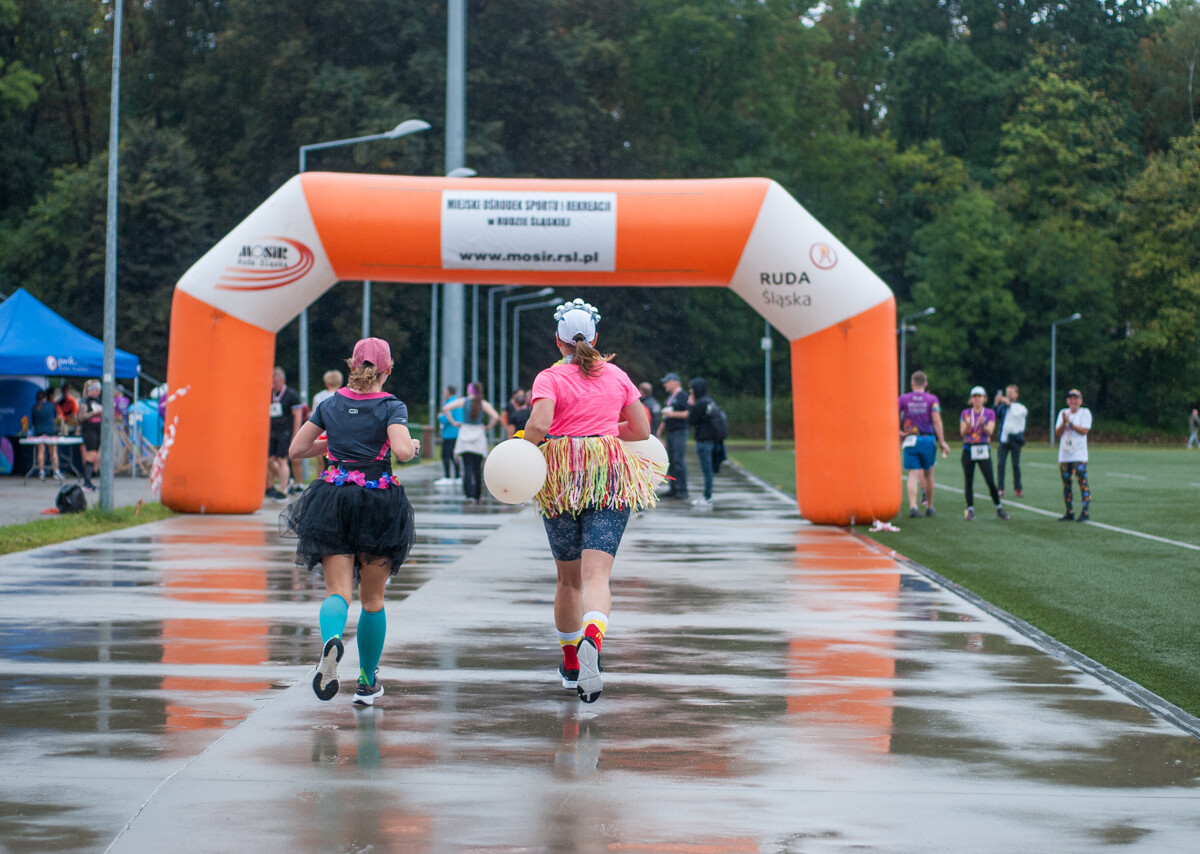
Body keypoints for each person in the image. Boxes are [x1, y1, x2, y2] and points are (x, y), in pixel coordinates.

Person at [522, 298, 655, 704]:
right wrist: (605, 430)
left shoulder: (549, 377)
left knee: (568, 580)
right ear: (595, 338)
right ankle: (592, 640)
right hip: (608, 474)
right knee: (597, 577)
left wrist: (523, 447)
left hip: (563, 477)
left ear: (557, 341)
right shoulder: (616, 375)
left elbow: (540, 424)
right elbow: (642, 429)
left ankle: (571, 664)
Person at [281, 337, 420, 706]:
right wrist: (412, 446)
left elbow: (296, 449)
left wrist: (333, 443)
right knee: (372, 599)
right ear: (387, 370)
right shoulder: (391, 406)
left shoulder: (330, 404)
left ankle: (331, 641)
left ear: (352, 367)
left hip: (333, 499)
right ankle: (366, 682)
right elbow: (402, 450)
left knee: (337, 592)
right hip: (378, 502)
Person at [898, 371, 951, 518]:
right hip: (927, 439)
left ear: (912, 383)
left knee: (913, 474)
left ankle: (913, 506)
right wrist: (942, 441)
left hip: (910, 439)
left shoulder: (904, 398)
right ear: (925, 384)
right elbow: (936, 420)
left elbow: (891, 413)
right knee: (928, 474)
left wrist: (897, 431)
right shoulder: (932, 399)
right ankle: (929, 506)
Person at [441, 382, 500, 504]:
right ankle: (478, 494)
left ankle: (469, 495)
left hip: (465, 434)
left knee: (467, 466)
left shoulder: (463, 401)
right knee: (477, 468)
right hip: (478, 435)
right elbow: (495, 416)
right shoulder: (483, 403)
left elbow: (445, 409)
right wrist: (488, 427)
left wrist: (454, 422)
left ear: (469, 390)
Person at [959, 386, 1009, 521]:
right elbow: (962, 433)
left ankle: (999, 507)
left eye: (979, 396)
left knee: (990, 480)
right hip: (968, 449)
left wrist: (982, 424)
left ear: (984, 398)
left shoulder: (989, 413)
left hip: (982, 449)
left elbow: (990, 431)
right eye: (974, 396)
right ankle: (970, 509)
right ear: (971, 399)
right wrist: (968, 425)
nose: (977, 399)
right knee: (968, 481)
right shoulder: (965, 413)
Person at [1055, 389, 1093, 522]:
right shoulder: (1063, 412)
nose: (1073, 401)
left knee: (1082, 483)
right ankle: (1069, 511)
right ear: (1068, 401)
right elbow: (1057, 433)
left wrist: (1070, 423)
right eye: (1071, 398)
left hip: (1079, 456)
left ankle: (1085, 511)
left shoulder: (1085, 413)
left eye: (1076, 398)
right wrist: (1064, 423)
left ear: (1080, 401)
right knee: (1066, 484)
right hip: (1065, 456)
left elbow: (1084, 431)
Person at [267, 366, 303, 500]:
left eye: (275, 382)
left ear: (282, 381)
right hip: (272, 432)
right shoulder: (270, 394)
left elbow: (298, 416)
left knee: (282, 459)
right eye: (272, 382)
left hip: (285, 432)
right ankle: (286, 481)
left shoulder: (291, 395)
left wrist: (295, 435)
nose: (273, 385)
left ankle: (283, 491)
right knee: (269, 460)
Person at [686, 377, 721, 507]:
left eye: (692, 388)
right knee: (708, 470)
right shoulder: (709, 401)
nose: (690, 391)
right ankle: (707, 496)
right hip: (711, 439)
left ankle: (707, 497)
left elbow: (691, 420)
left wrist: (691, 405)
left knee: (707, 470)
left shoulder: (700, 403)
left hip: (704, 440)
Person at [656, 372, 689, 499]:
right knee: (671, 460)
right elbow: (666, 417)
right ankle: (674, 489)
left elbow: (687, 413)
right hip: (671, 432)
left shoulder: (683, 396)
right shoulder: (670, 397)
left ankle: (682, 490)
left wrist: (672, 415)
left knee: (678, 460)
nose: (665, 385)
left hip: (679, 432)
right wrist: (660, 431)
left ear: (674, 382)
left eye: (666, 382)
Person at [996, 384, 1028, 498]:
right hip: (1004, 440)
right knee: (1001, 464)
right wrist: (996, 403)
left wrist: (1009, 404)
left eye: (1011, 392)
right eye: (1007, 393)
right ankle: (1000, 488)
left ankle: (1018, 488)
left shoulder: (1021, 407)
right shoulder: (1003, 407)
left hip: (1015, 439)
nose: (1008, 395)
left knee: (1015, 465)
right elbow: (995, 415)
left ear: (1016, 394)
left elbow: (1019, 414)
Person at [77, 380, 103, 492]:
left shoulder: (98, 401)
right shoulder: (84, 401)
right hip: (89, 431)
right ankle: (86, 482)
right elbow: (80, 417)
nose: (98, 393)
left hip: (97, 431)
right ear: (91, 390)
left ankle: (89, 481)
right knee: (90, 455)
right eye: (96, 390)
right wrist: (94, 413)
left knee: (95, 456)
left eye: (99, 390)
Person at [30, 390, 61, 479]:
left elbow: (33, 421)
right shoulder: (51, 406)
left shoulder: (34, 407)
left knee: (41, 452)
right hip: (50, 431)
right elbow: (55, 417)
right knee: (53, 452)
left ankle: (41, 472)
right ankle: (56, 471)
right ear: (45, 397)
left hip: (39, 432)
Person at [438, 386, 463, 482]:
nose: (444, 394)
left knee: (445, 455)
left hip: (449, 433)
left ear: (449, 393)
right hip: (456, 432)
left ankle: (447, 477)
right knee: (453, 455)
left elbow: (446, 418)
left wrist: (440, 417)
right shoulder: (457, 402)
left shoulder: (450, 403)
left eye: (445, 392)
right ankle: (457, 476)